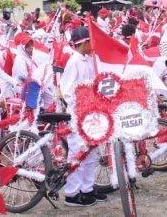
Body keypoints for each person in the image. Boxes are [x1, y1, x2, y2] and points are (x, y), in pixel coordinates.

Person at [59, 27, 106, 207]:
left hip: (91, 113)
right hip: (78, 113)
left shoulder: (90, 60)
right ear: (84, 43)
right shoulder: (74, 62)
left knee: (91, 152)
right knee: (77, 153)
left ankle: (87, 188)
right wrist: (82, 104)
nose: (93, 45)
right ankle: (72, 193)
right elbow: (67, 90)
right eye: (91, 42)